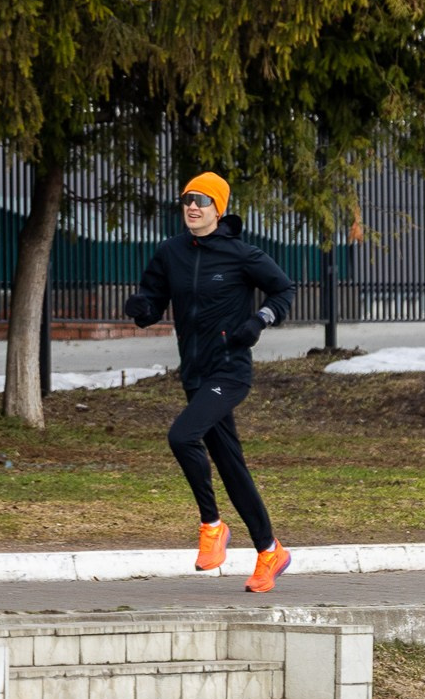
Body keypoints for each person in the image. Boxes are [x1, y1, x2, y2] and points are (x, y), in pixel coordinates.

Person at [122, 172, 297, 592]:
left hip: (230, 370)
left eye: (201, 200)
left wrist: (259, 320)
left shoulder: (242, 255)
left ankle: (212, 525)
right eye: (186, 200)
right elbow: (153, 303)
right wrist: (140, 306)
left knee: (182, 436)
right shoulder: (170, 254)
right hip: (195, 373)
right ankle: (269, 550)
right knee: (233, 468)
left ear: (219, 208)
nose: (192, 207)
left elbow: (283, 291)